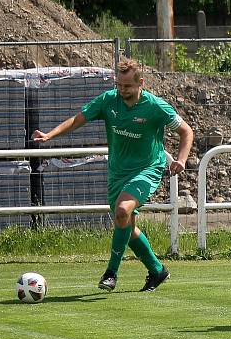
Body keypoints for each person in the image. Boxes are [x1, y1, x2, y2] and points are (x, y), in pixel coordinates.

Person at [32, 58, 194, 292]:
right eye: (119, 84)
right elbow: (78, 119)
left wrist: (181, 159)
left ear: (141, 83)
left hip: (147, 170)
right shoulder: (109, 101)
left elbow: (186, 131)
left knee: (122, 211)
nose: (122, 90)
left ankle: (111, 273)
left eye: (127, 86)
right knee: (125, 225)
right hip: (118, 173)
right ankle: (157, 270)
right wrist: (49, 135)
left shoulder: (156, 106)